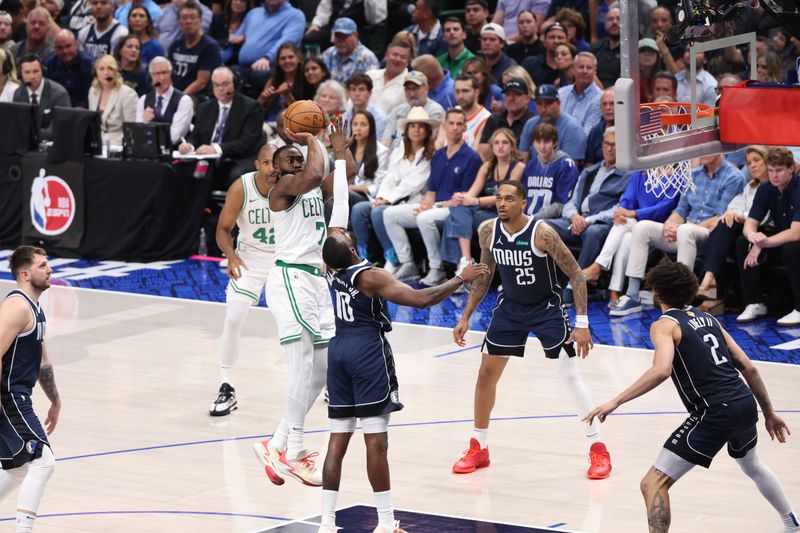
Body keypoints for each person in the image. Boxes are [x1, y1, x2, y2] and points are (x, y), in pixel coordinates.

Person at [584, 260, 800, 533]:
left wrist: (615, 401)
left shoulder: (664, 325)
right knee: (753, 465)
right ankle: (791, 524)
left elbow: (661, 370)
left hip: (715, 411)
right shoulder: (709, 318)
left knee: (653, 483)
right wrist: (768, 412)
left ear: (658, 294)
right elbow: (749, 366)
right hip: (744, 402)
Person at [317, 232, 489, 533]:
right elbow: (422, 299)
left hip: (338, 349)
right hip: (365, 351)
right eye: (343, 234)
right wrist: (460, 278)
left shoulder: (331, 268)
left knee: (338, 440)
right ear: (353, 249)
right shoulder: (371, 277)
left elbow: (335, 244)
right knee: (376, 441)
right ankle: (385, 523)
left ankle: (326, 524)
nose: (341, 229)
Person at [451, 180, 612, 479]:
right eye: (498, 198)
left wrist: (582, 323)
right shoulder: (487, 231)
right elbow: (485, 277)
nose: (501, 203)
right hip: (510, 308)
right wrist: (465, 317)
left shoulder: (543, 233)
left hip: (546, 310)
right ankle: (479, 446)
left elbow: (576, 274)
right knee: (486, 374)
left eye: (509, 199)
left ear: (523, 203)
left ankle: (598, 449)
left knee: (568, 376)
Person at [252, 118, 356, 487]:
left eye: (299, 158)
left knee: (323, 368)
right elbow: (314, 172)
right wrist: (313, 137)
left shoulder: (311, 188)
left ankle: (276, 441)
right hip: (290, 277)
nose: (296, 162)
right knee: (301, 363)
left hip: (314, 281)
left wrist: (340, 152)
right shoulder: (281, 191)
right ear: (274, 171)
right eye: (288, 159)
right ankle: (294, 450)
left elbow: (343, 190)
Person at [612, 154, 744, 317]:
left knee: (685, 230)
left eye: (705, 149)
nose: (700, 153)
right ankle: (632, 294)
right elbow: (680, 210)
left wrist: (681, 227)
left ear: (718, 150)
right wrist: (670, 225)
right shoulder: (693, 174)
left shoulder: (734, 176)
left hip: (711, 234)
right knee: (642, 227)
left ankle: (682, 298)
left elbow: (721, 216)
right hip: (685, 230)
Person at [209, 144, 277, 416]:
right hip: (249, 259)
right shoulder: (242, 187)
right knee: (233, 318)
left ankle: (330, 380)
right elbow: (223, 229)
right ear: (258, 164)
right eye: (267, 163)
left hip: (283, 259)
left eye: (277, 163)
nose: (273, 168)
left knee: (304, 323)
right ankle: (227, 386)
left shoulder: (292, 186)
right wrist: (231, 255)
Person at [0, 246, 61, 533]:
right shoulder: (17, 306)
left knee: (17, 468)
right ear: (25, 274)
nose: (50, 270)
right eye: (42, 265)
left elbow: (42, 362)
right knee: (43, 462)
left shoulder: (35, 308)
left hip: (18, 397)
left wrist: (55, 400)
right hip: (7, 397)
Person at [383, 107, 481, 284]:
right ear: (444, 126)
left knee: (424, 218)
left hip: (455, 208)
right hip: (436, 206)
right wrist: (425, 204)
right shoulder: (438, 155)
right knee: (390, 214)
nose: (455, 128)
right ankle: (407, 264)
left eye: (459, 124)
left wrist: (436, 206)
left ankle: (437, 269)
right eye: (451, 123)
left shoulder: (471, 157)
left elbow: (466, 196)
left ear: (465, 128)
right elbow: (432, 190)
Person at [351, 106, 437, 271]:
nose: (416, 130)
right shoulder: (399, 150)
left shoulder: (429, 154)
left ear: (427, 130)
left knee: (377, 212)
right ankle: (363, 256)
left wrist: (386, 200)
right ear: (407, 129)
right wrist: (380, 197)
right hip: (390, 197)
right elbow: (390, 178)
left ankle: (393, 257)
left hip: (413, 200)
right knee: (359, 209)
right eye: (412, 126)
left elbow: (412, 185)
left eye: (420, 126)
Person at [582, 169, 680, 307]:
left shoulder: (677, 177)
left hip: (660, 228)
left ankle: (599, 267)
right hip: (635, 223)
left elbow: (663, 208)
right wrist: (623, 212)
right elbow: (628, 198)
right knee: (626, 234)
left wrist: (633, 212)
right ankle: (614, 291)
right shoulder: (640, 174)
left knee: (627, 230)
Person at [441, 127, 524, 270]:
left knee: (453, 219)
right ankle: (466, 261)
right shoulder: (487, 166)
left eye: (505, 142)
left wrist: (475, 201)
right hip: (484, 212)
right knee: (459, 208)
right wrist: (460, 198)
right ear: (491, 147)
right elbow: (472, 192)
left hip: (504, 213)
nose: (500, 146)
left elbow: (504, 197)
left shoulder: (518, 167)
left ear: (512, 146)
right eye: (496, 143)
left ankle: (459, 267)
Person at [735, 147, 800, 326]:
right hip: (780, 240)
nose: (774, 175)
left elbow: (795, 233)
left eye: (779, 170)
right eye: (770, 170)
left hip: (795, 241)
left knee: (792, 249)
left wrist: (763, 244)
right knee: (743, 243)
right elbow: (750, 223)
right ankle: (754, 302)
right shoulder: (765, 189)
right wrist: (753, 237)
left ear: (791, 169)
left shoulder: (798, 188)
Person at [697, 146, 769, 299]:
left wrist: (740, 216)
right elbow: (733, 206)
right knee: (725, 222)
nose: (752, 165)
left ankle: (708, 278)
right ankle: (709, 278)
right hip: (745, 227)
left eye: (757, 160)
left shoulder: (773, 186)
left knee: (727, 225)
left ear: (767, 161)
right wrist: (731, 213)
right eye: (749, 163)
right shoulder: (751, 186)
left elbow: (765, 215)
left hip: (764, 227)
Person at [179, 66, 264, 186]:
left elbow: (247, 143)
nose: (221, 89)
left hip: (237, 159)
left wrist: (216, 148)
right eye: (216, 85)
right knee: (180, 170)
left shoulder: (251, 107)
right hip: (209, 160)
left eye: (225, 84)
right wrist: (189, 146)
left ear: (235, 84)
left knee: (234, 174)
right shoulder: (205, 108)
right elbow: (195, 136)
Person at [231, 0, 305, 97]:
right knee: (227, 73)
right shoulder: (253, 13)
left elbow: (287, 42)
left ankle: (260, 109)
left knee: (260, 76)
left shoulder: (295, 16)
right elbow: (236, 38)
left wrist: (268, 57)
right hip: (243, 66)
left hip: (271, 66)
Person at [521, 122, 579, 220]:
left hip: (553, 220)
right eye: (538, 142)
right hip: (528, 219)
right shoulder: (531, 165)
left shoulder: (565, 164)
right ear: (533, 143)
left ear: (555, 143)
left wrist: (531, 220)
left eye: (546, 142)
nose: (542, 147)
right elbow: (522, 197)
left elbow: (561, 204)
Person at [518, 83, 587, 164]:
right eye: (539, 104)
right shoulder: (530, 124)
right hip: (533, 175)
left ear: (558, 103)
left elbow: (570, 168)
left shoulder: (572, 127)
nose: (544, 109)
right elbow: (522, 161)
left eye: (548, 103)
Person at [135, 56, 193, 145]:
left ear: (171, 74)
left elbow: (174, 137)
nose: (162, 78)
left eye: (165, 73)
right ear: (151, 76)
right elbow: (138, 135)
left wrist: (147, 128)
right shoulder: (143, 100)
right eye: (157, 74)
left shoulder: (184, 101)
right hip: (148, 152)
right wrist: (145, 122)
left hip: (174, 153)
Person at [381, 70, 445, 150]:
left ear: (426, 88)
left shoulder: (436, 111)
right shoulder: (397, 111)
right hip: (394, 157)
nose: (412, 94)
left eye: (415, 89)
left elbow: (428, 144)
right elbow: (386, 141)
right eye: (408, 89)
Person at [167, 3, 220, 96]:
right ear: (178, 22)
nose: (188, 21)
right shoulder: (175, 45)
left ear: (201, 20)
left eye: (192, 17)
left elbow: (201, 82)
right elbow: (169, 75)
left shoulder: (210, 46)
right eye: (184, 18)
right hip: (175, 93)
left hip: (198, 96)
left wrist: (180, 98)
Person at [13, 55, 70, 140]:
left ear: (42, 71)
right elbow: (17, 124)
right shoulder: (19, 93)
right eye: (27, 72)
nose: (32, 76)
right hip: (26, 144)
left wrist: (32, 136)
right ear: (20, 74)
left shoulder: (59, 94)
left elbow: (59, 127)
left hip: (53, 145)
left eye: (35, 71)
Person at [476, 78, 534, 160]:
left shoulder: (533, 123)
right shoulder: (494, 119)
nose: (511, 98)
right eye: (508, 94)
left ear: (527, 99)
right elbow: (482, 152)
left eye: (516, 94)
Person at [87, 54, 138, 146]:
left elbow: (132, 129)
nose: (106, 73)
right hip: (97, 143)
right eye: (101, 69)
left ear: (116, 72)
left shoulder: (128, 94)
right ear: (96, 73)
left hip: (119, 144)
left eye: (110, 69)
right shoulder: (93, 91)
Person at [320, 17, 379, 86]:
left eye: (345, 36)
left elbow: (371, 86)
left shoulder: (367, 57)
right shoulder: (328, 54)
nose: (341, 40)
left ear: (355, 36)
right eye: (338, 36)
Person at [43, 29, 94, 108]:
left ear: (76, 44)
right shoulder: (49, 65)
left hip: (83, 112)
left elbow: (94, 94)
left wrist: (83, 107)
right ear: (55, 49)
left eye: (68, 46)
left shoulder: (89, 64)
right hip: (57, 110)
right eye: (60, 48)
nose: (65, 51)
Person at [257, 42, 304, 119]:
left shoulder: (305, 78)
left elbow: (304, 112)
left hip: (296, 124)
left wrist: (287, 94)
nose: (287, 61)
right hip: (272, 122)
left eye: (291, 57)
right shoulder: (274, 79)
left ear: (298, 58)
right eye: (283, 58)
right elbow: (256, 108)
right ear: (278, 62)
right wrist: (262, 97)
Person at [557, 51, 602, 134]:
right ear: (573, 69)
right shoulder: (561, 93)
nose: (584, 71)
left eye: (589, 68)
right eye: (581, 67)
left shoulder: (599, 99)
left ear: (595, 72)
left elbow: (587, 134)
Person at [366, 40, 412, 116]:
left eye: (403, 57)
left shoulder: (410, 85)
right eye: (395, 55)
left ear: (408, 62)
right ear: (386, 56)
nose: (398, 59)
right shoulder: (370, 76)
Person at [521, 21, 567, 87]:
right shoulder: (530, 64)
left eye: (560, 38)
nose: (556, 41)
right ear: (544, 42)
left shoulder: (573, 66)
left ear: (567, 41)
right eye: (552, 37)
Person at [343, 72, 387, 140]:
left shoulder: (379, 118)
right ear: (349, 93)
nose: (357, 94)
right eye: (353, 89)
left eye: (361, 89)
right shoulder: (344, 117)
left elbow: (378, 146)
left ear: (369, 93)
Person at [209, 0, 253, 65]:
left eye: (242, 1)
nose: (238, 3)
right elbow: (210, 40)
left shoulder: (250, 22)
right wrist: (228, 41)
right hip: (216, 56)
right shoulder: (218, 18)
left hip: (237, 62)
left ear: (247, 4)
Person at [587, 5, 620, 88]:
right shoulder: (595, 48)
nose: (614, 22)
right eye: (610, 19)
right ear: (604, 25)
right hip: (595, 93)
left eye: (619, 19)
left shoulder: (632, 50)